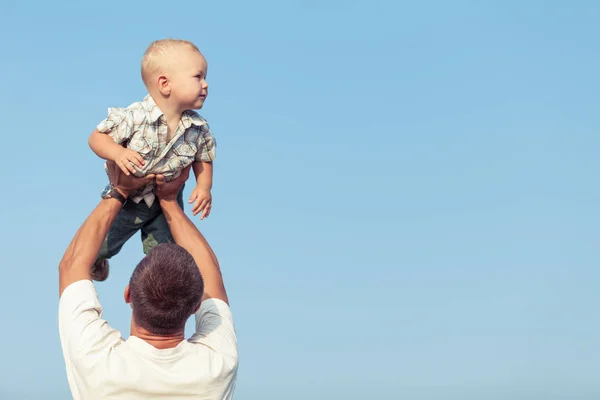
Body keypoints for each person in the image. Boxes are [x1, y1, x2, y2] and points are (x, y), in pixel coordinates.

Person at [58, 162, 238, 400]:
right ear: (196, 306)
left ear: (128, 294)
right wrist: (170, 202)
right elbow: (213, 279)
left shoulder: (98, 361)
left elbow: (72, 265)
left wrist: (119, 190)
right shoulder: (216, 368)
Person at [88, 38, 216, 282]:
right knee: (104, 240)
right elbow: (96, 138)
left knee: (166, 254)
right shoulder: (135, 116)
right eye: (197, 77)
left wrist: (204, 186)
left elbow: (204, 156)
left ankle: (157, 289)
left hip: (165, 199)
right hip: (129, 198)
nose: (205, 84)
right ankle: (97, 259)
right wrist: (118, 153)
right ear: (165, 84)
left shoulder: (198, 127)